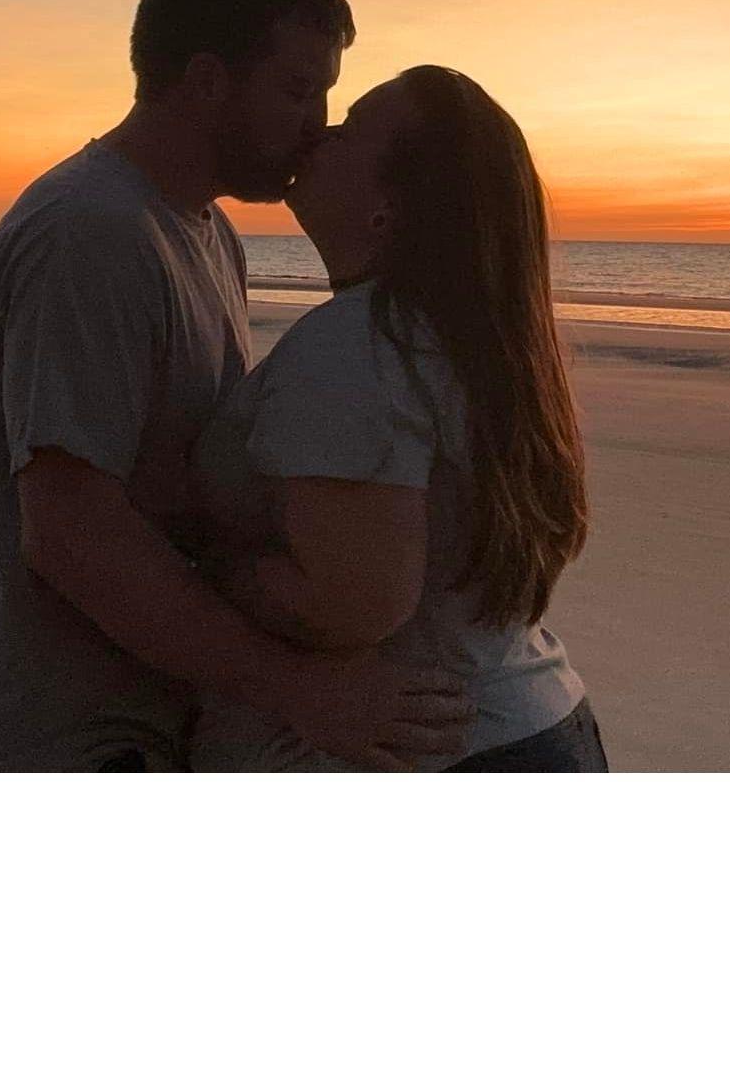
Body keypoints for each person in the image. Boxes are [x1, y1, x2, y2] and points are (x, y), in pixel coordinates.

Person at [0, 0, 474, 772]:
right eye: (296, 91)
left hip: (155, 720)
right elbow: (72, 531)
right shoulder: (90, 233)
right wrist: (298, 687)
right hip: (66, 741)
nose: (315, 128)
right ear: (208, 81)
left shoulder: (208, 235)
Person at [185, 64, 606, 772]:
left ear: (390, 206)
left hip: (439, 755)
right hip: (529, 723)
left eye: (350, 129)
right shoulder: (471, 346)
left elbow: (350, 603)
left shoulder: (360, 348)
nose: (320, 132)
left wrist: (207, 567)